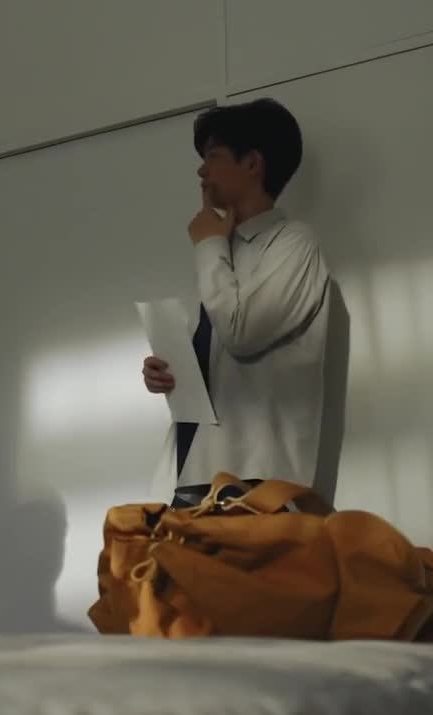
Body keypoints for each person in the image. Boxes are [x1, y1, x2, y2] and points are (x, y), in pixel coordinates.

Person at [143, 99, 331, 509]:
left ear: (251, 164)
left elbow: (242, 334)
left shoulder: (293, 244)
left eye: (213, 156)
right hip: (194, 475)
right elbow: (222, 357)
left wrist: (209, 244)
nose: (201, 171)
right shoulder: (218, 252)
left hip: (255, 482)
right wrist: (169, 372)